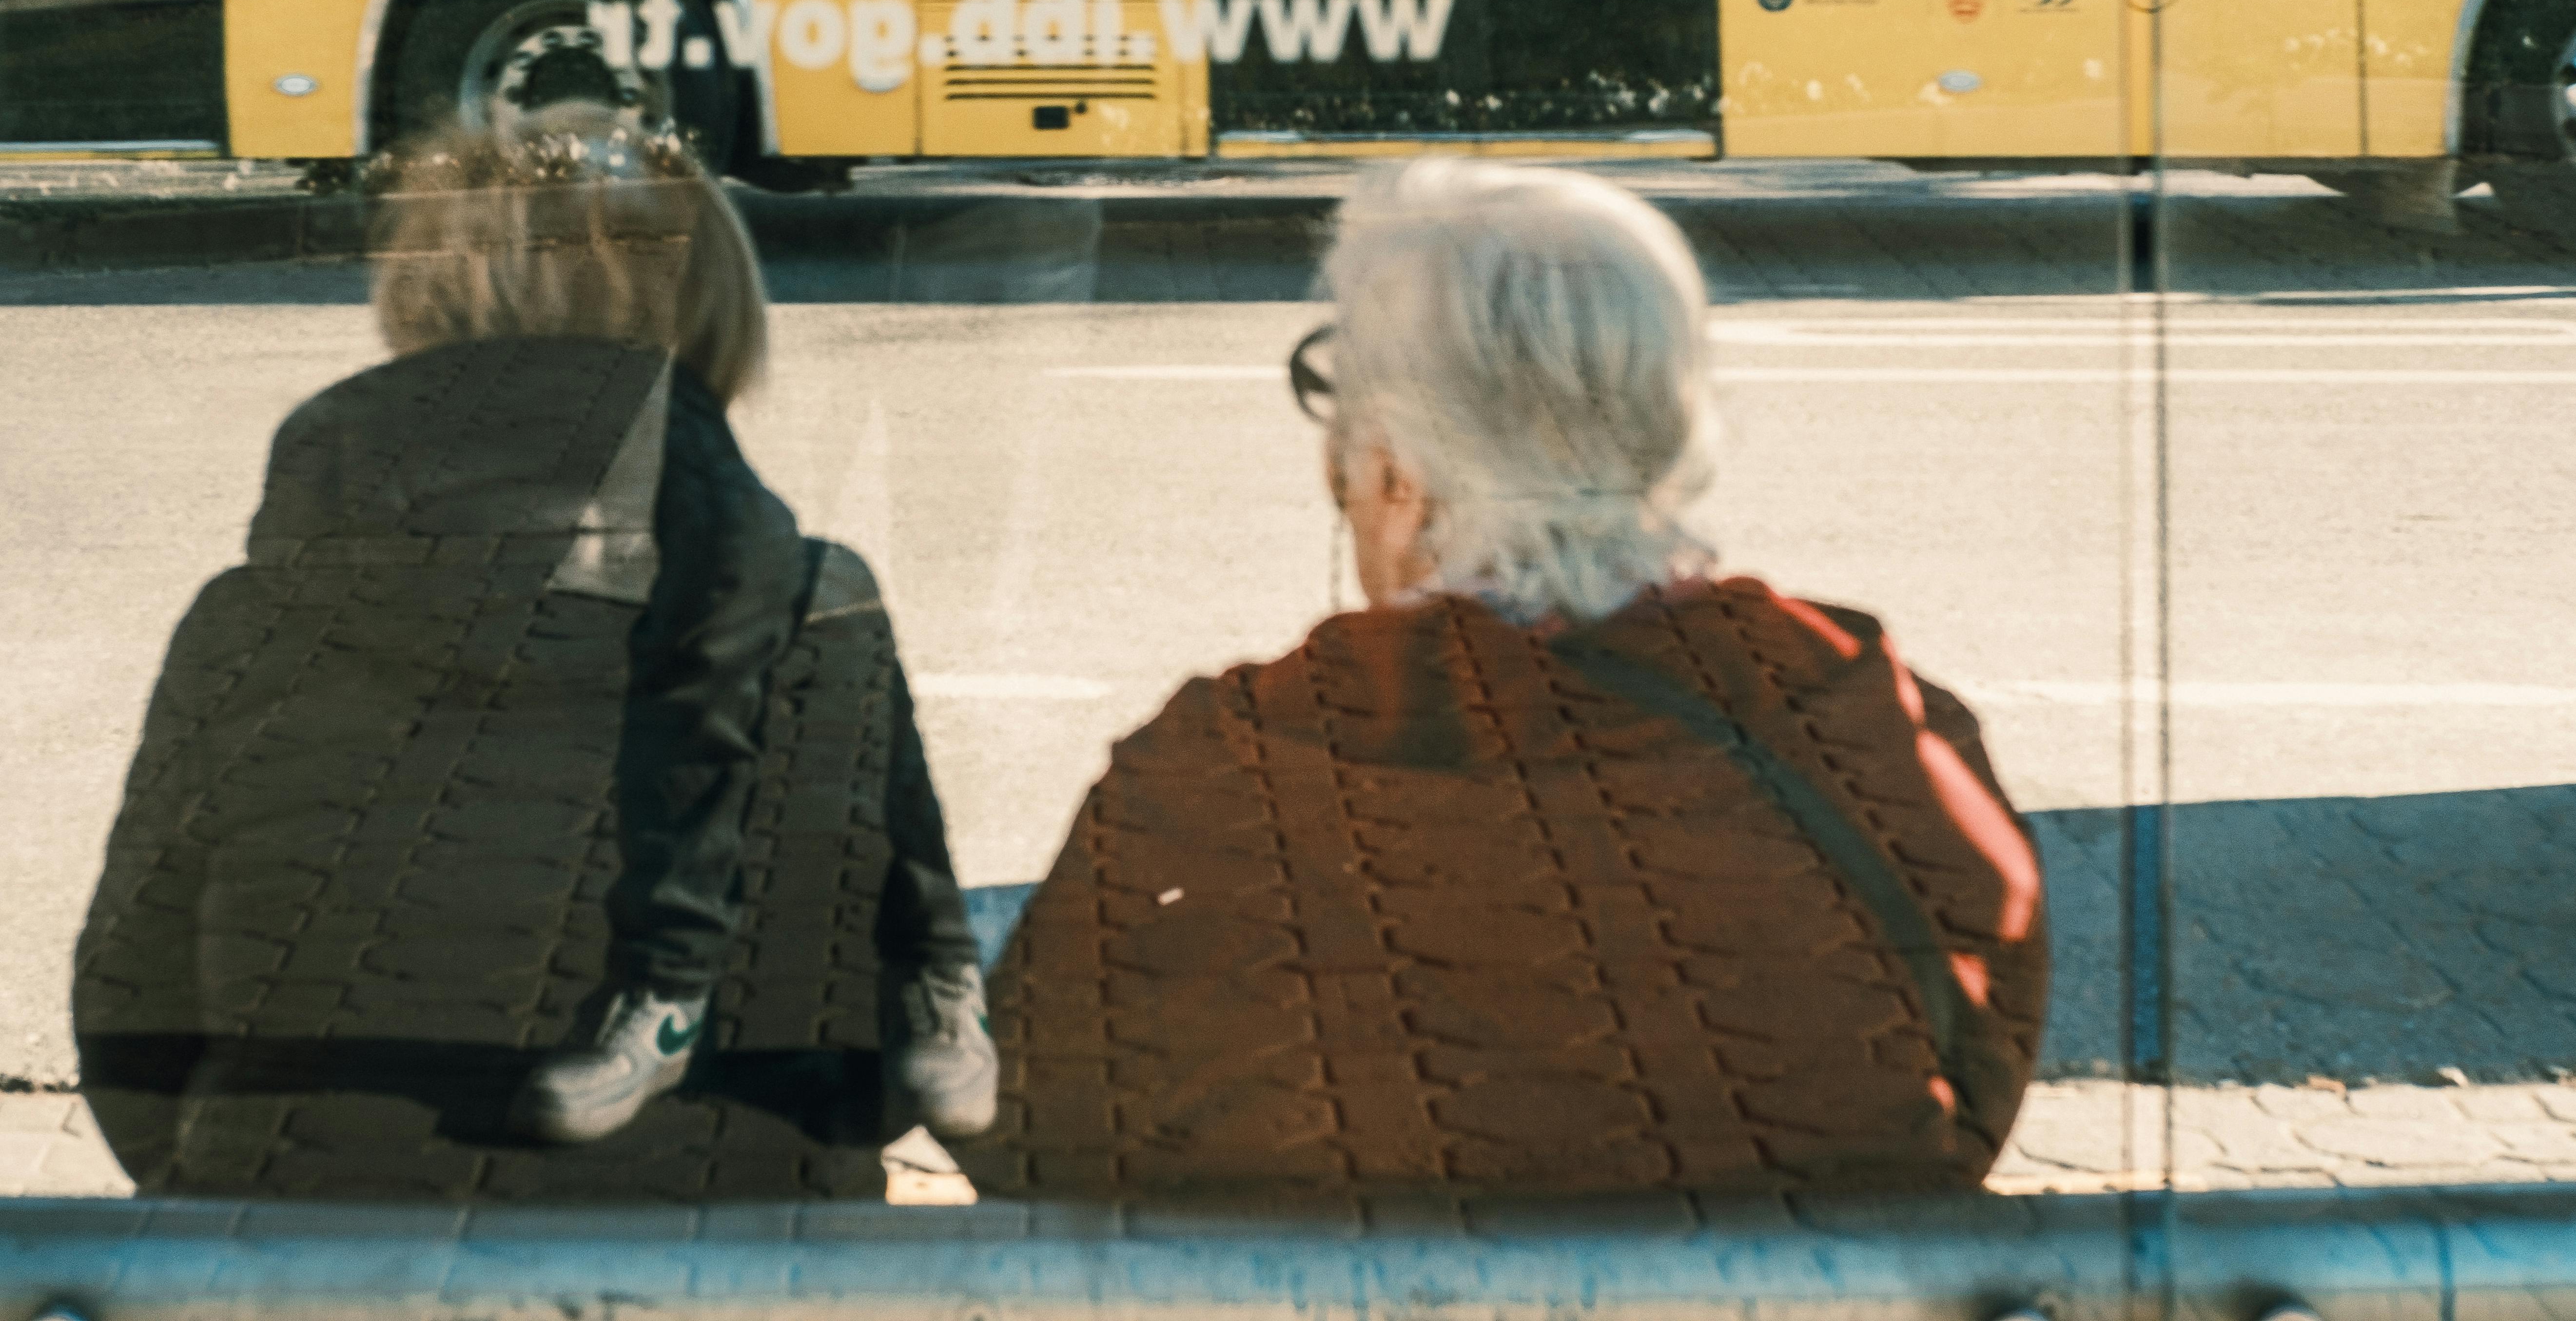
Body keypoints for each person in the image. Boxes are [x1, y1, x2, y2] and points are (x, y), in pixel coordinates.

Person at [960, 162, 2049, 1200]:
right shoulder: (1869, 722)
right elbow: (1964, 1098)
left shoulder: (1226, 767)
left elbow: (1031, 1126)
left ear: (1392, 464)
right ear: (1668, 426)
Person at [73, 112, 996, 1199]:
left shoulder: (255, 621)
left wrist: (273, 1194)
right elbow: (883, 1026)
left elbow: (131, 1008)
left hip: (305, 1262)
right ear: (711, 314)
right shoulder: (817, 616)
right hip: (720, 1263)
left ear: (424, 304)